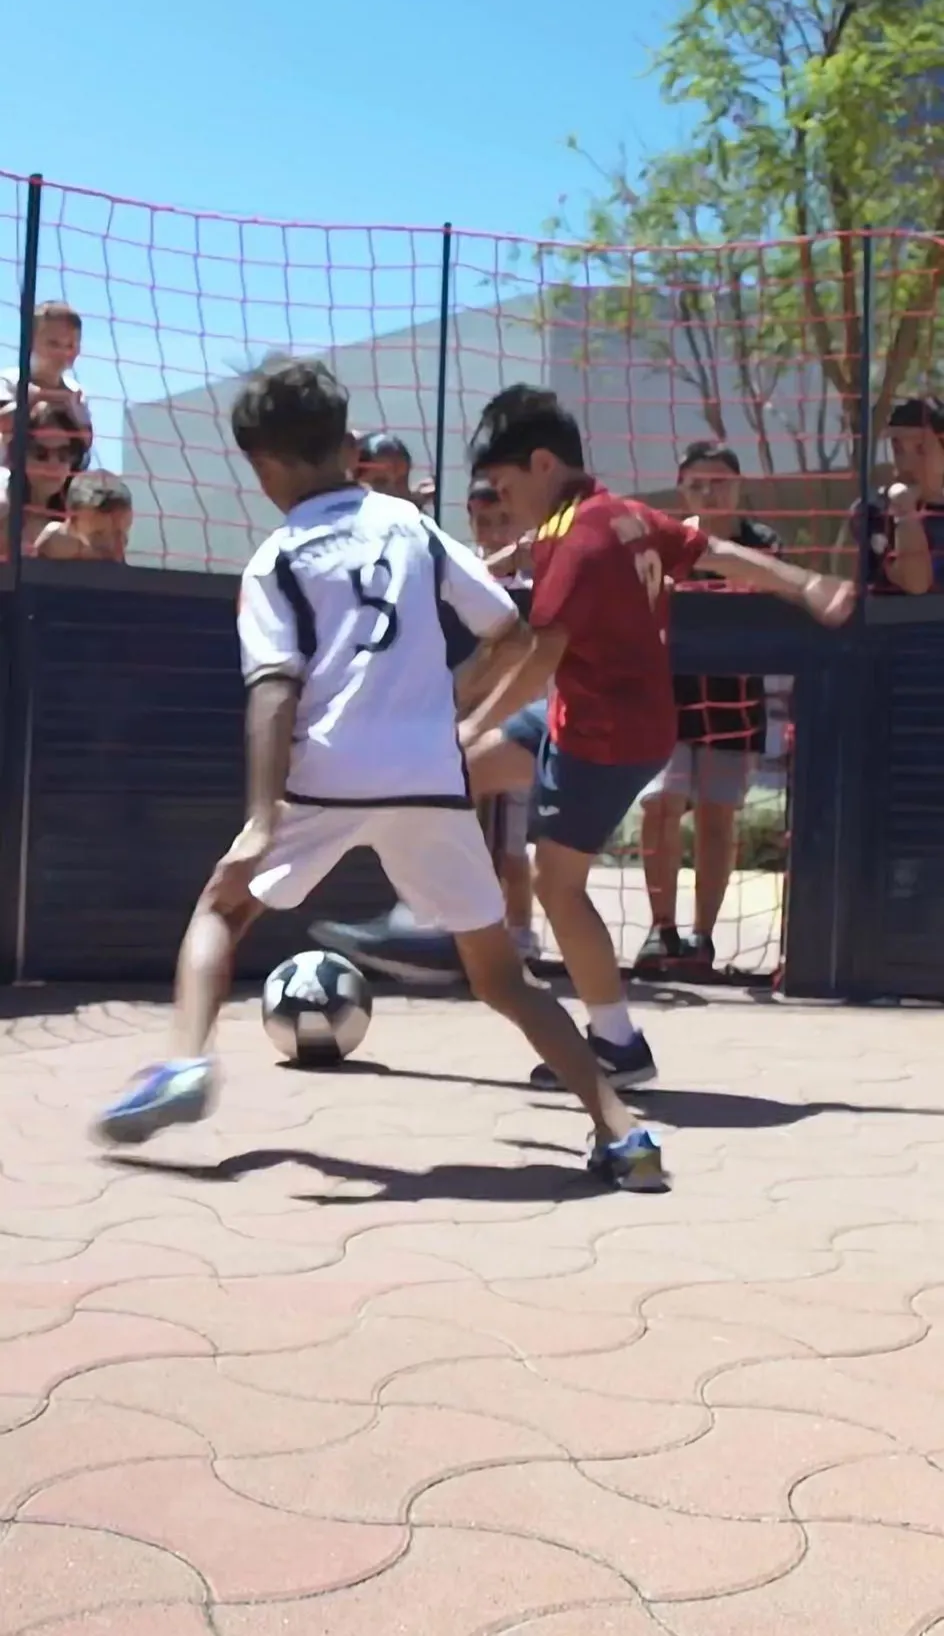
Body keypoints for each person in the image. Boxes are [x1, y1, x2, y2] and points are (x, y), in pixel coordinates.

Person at [93, 358, 664, 1193]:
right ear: (349, 447)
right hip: (430, 776)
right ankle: (625, 1135)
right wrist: (450, 700)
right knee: (503, 977)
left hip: (328, 774)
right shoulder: (409, 526)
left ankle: (185, 1062)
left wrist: (262, 815)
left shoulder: (276, 559)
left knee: (222, 906)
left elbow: (273, 692)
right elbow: (507, 629)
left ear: (262, 467)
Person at [447, 385, 852, 1092]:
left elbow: (539, 658)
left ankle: (618, 1046)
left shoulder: (579, 544)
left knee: (558, 885)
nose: (503, 503)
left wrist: (470, 722)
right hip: (588, 713)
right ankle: (428, 912)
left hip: (603, 739)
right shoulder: (619, 514)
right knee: (460, 774)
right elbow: (716, 550)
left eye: (506, 489)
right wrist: (807, 583)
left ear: (542, 465)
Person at [634, 441, 782, 976]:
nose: (709, 492)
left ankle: (702, 938)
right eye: (698, 484)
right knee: (660, 805)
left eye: (720, 482)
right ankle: (661, 930)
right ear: (682, 490)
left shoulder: (763, 544)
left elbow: (766, 603)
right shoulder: (665, 540)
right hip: (668, 695)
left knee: (718, 817)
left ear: (738, 487)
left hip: (734, 700)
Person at [467, 476, 538, 958]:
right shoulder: (465, 569)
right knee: (467, 840)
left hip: (517, 725)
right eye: (483, 522)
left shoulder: (536, 579)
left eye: (503, 522)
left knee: (514, 847)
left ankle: (521, 932)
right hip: (469, 726)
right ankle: (468, 935)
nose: (494, 532)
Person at [857, 395, 944, 595]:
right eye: (898, 450)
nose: (905, 464)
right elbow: (916, 584)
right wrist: (904, 512)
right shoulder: (873, 512)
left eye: (921, 450)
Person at [0, 300, 92, 464]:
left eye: (70, 345)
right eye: (53, 344)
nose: (62, 352)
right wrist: (35, 399)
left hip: (57, 475)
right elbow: (3, 422)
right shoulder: (10, 381)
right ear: (30, 343)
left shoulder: (75, 391)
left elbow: (86, 442)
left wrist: (71, 410)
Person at [0, 402, 87, 561]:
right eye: (40, 453)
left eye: (64, 454)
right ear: (19, 456)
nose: (53, 464)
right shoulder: (4, 508)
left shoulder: (80, 523)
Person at [33, 470, 132, 562]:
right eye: (98, 536)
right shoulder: (54, 541)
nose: (118, 553)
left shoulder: (113, 551)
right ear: (72, 520)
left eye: (123, 536)